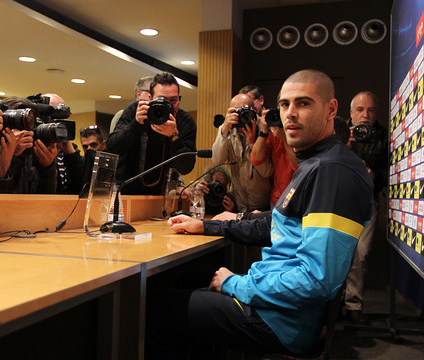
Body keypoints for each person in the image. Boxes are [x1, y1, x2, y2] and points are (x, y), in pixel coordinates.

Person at [146, 69, 373, 358]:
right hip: (276, 304)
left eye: (303, 103)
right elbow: (275, 225)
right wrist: (206, 225)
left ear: (331, 109)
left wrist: (235, 284)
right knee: (179, 284)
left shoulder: (332, 172)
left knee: (150, 307)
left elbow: (316, 281)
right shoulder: (317, 163)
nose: (290, 113)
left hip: (280, 321)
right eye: (285, 104)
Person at [106, 72, 197, 195]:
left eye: (173, 100)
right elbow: (112, 148)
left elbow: (187, 167)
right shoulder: (135, 110)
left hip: (161, 196)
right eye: (162, 100)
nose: (168, 105)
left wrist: (174, 136)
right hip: (126, 191)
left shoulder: (185, 121)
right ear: (150, 98)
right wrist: (136, 124)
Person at [343, 91, 388, 323]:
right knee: (334, 253)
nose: (365, 115)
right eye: (360, 110)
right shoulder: (339, 133)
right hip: (339, 203)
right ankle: (333, 304)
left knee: (361, 255)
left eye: (370, 110)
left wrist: (372, 175)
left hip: (367, 200)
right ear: (351, 113)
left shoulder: (384, 137)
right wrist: (345, 146)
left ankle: (353, 306)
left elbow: (391, 175)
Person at [0, 96, 57, 194]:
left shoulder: (28, 152)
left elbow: (40, 200)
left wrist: (46, 168)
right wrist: (9, 160)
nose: (27, 132)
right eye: (22, 124)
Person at [211, 93, 271, 215]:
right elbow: (217, 161)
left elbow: (267, 171)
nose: (241, 115)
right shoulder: (228, 130)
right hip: (241, 207)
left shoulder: (265, 128)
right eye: (236, 111)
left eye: (244, 110)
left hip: (265, 207)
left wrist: (253, 145)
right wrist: (224, 130)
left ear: (254, 109)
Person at [43, 93, 83, 195]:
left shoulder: (70, 150)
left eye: (63, 116)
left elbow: (83, 189)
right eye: (54, 115)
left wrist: (71, 154)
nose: (59, 121)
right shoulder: (32, 148)